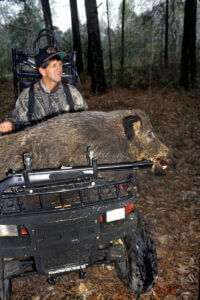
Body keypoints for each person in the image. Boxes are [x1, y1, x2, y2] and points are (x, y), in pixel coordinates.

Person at [0, 46, 88, 133]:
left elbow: (87, 122)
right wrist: (9, 124)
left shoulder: (72, 94)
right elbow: (17, 123)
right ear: (42, 71)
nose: (60, 69)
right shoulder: (26, 97)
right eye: (54, 65)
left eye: (60, 64)